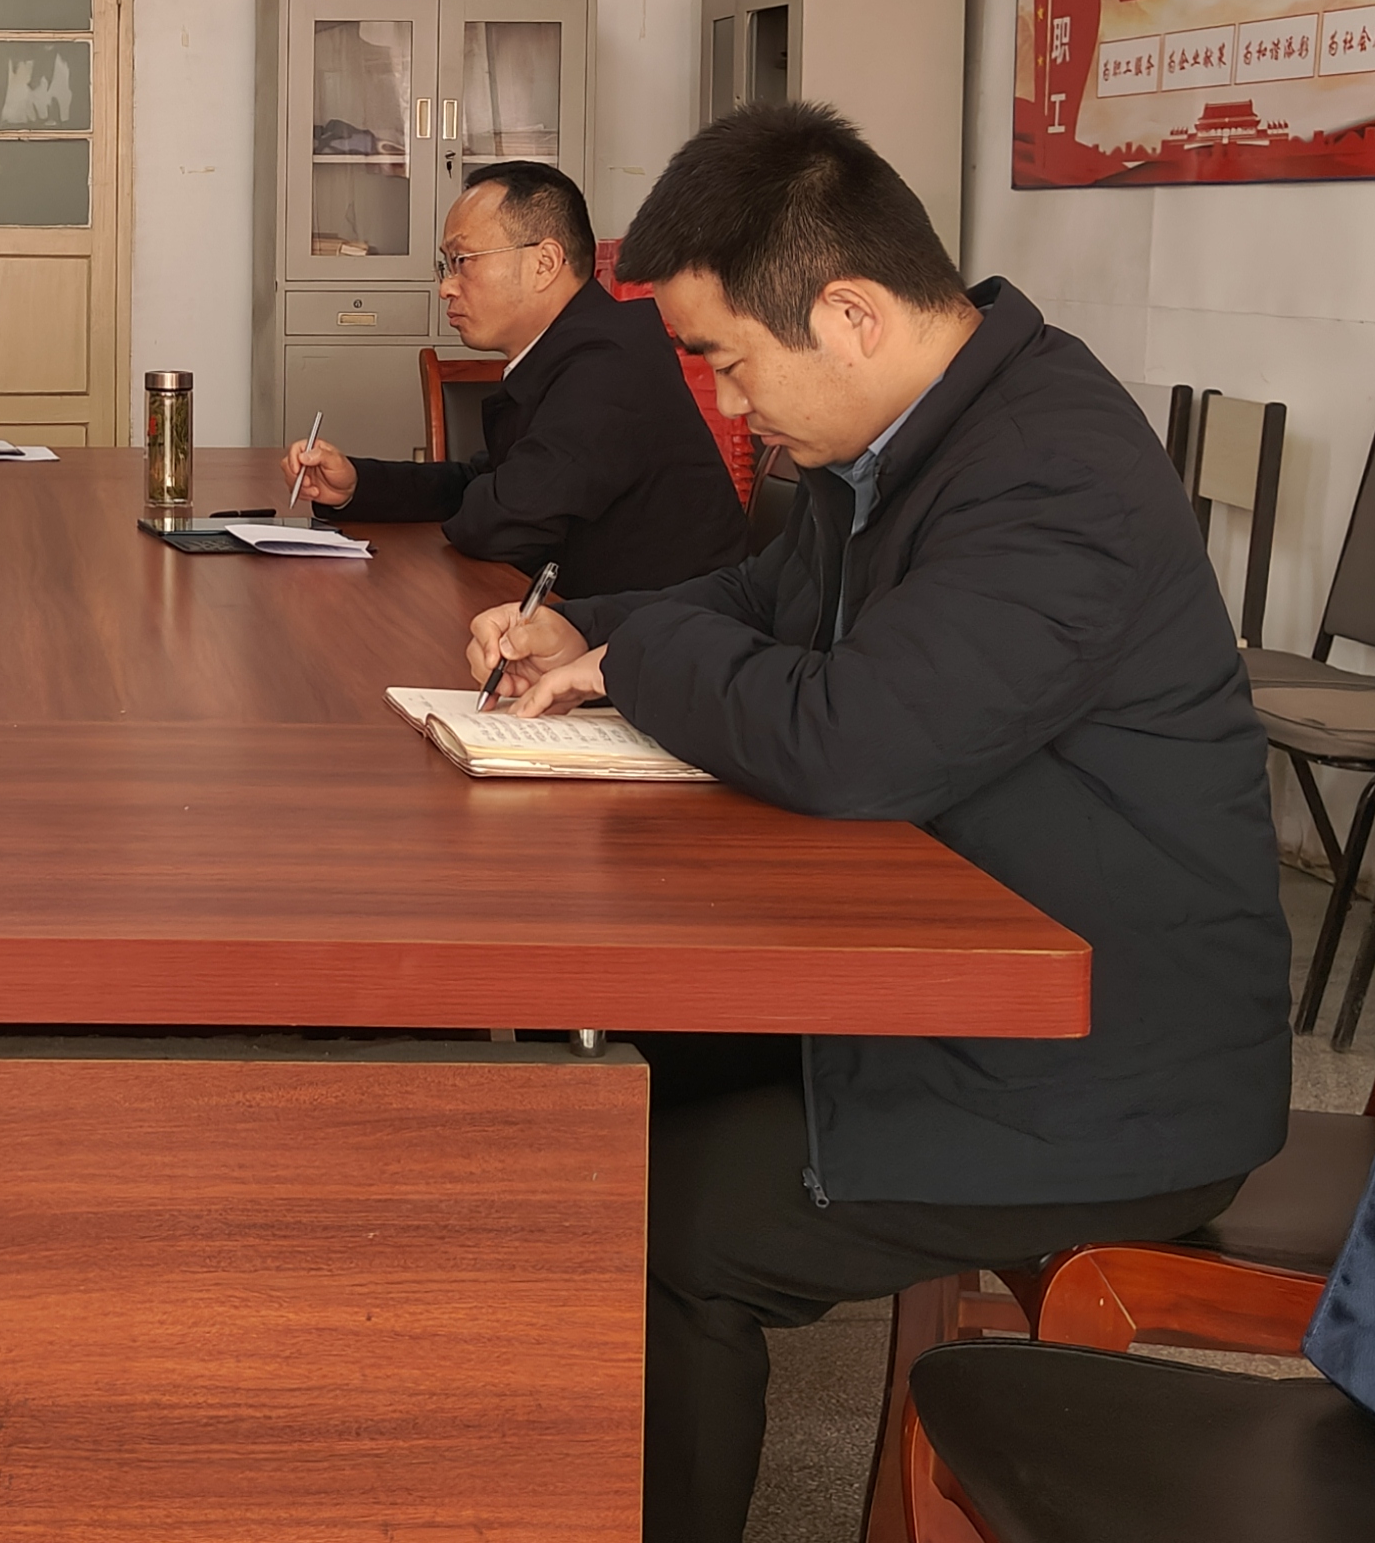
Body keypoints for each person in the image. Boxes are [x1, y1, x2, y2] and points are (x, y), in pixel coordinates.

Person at [467, 102, 1286, 1543]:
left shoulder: (1052, 474)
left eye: (730, 363)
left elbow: (850, 743)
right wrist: (582, 627)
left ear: (848, 314)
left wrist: (632, 662)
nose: (728, 412)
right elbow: (757, 601)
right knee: (586, 1095)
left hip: (1100, 1067)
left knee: (665, 1221)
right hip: (946, 993)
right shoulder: (915, 434)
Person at [281, 160, 744, 594]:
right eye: (446, 265)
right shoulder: (570, 349)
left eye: (463, 261)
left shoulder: (609, 365)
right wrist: (357, 484)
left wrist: (483, 497)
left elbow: (502, 522)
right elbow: (486, 483)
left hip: (668, 635)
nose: (446, 286)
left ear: (544, 263)